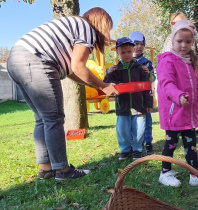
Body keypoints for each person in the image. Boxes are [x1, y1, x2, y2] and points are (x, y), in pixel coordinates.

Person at [6, 7, 118, 180]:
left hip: (16, 59)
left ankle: (46, 169)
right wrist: (103, 86)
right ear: (101, 23)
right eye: (107, 28)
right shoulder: (87, 27)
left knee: (42, 118)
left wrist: (97, 86)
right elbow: (78, 67)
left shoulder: (72, 26)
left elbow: (72, 72)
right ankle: (63, 170)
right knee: (54, 118)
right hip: (37, 60)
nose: (106, 33)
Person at [156, 19, 198, 187]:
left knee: (191, 144)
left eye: (188, 42)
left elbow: (195, 87)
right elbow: (166, 83)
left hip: (187, 112)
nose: (183, 45)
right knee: (171, 142)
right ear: (172, 40)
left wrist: (196, 104)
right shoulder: (167, 61)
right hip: (173, 112)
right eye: (179, 41)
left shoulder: (191, 62)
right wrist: (178, 96)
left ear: (193, 42)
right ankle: (165, 172)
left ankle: (195, 174)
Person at [104, 37, 153, 161]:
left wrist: (148, 103)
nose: (126, 55)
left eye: (129, 52)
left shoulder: (140, 68)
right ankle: (125, 150)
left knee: (139, 130)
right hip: (123, 107)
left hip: (139, 106)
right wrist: (108, 72)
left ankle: (137, 150)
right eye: (123, 52)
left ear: (133, 51)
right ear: (118, 53)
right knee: (123, 131)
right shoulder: (116, 69)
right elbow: (106, 84)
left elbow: (147, 87)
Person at [129, 31, 155, 155]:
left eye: (141, 44)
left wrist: (148, 73)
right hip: (131, 99)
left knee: (147, 122)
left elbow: (152, 79)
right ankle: (133, 144)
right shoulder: (126, 61)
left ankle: (148, 143)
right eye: (136, 44)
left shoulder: (147, 62)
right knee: (132, 122)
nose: (138, 46)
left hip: (144, 98)